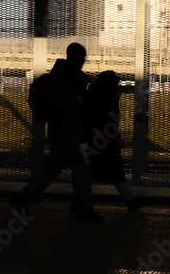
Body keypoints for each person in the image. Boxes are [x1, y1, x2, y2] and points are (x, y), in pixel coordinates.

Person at [10, 43, 104, 222]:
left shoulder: (68, 74)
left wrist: (90, 124)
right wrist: (74, 100)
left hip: (64, 130)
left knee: (53, 168)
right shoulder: (62, 74)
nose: (84, 60)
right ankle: (85, 209)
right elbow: (59, 100)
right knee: (81, 166)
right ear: (74, 56)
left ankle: (22, 198)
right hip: (65, 131)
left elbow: (79, 107)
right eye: (82, 56)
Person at [84, 70, 145, 212]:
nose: (118, 83)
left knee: (90, 172)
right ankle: (131, 200)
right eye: (116, 81)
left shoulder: (94, 94)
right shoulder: (108, 97)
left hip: (96, 139)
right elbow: (108, 120)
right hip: (107, 140)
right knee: (116, 172)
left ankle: (80, 201)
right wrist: (116, 138)